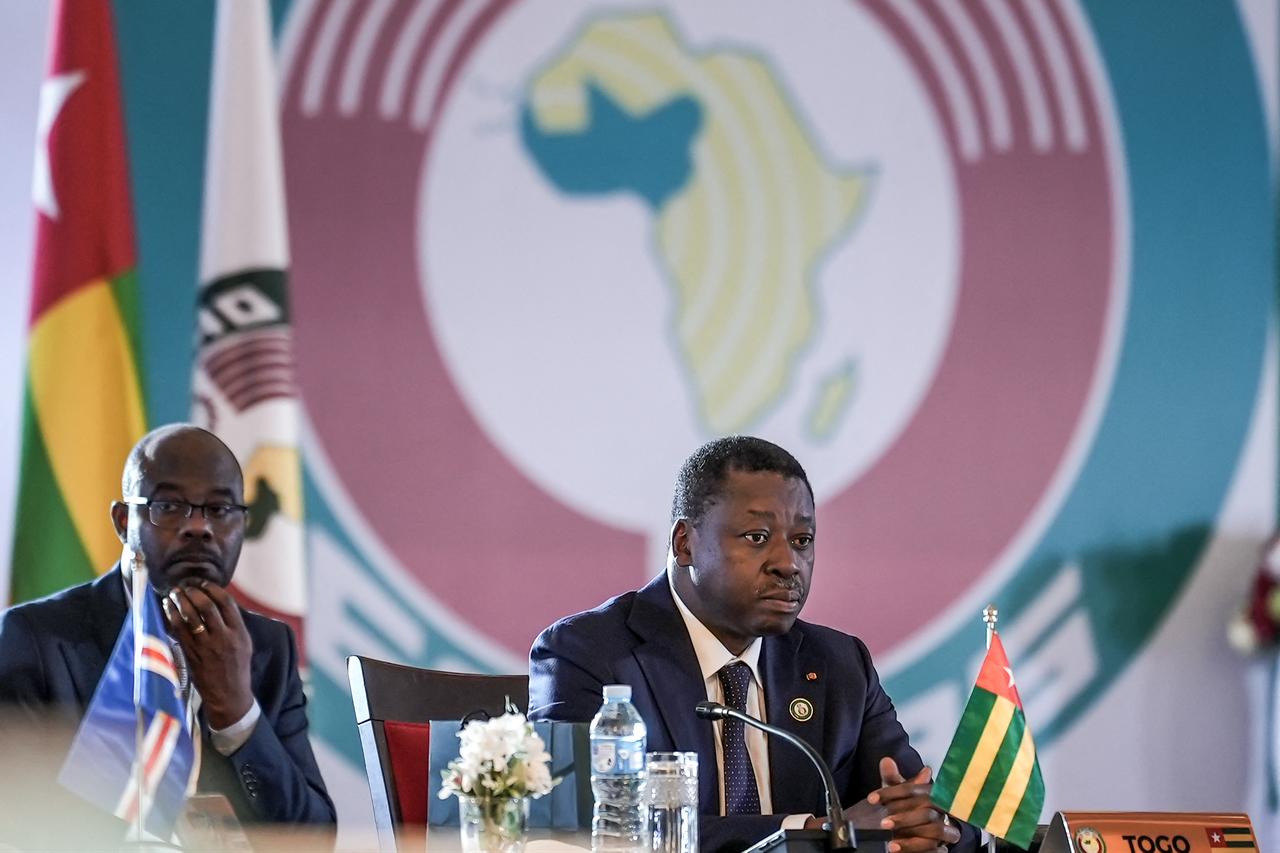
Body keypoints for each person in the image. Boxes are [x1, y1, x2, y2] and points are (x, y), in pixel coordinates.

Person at [529, 436, 978, 853]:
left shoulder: (840, 664)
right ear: (684, 543)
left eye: (802, 541)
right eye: (757, 538)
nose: (788, 564)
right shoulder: (588, 652)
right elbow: (579, 825)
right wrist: (816, 833)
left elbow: (913, 802)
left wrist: (937, 828)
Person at [0, 424, 335, 831]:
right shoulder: (36, 638)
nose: (199, 527)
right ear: (124, 522)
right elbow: (20, 820)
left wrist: (238, 714)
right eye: (169, 506)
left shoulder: (267, 648)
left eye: (220, 509)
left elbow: (311, 835)